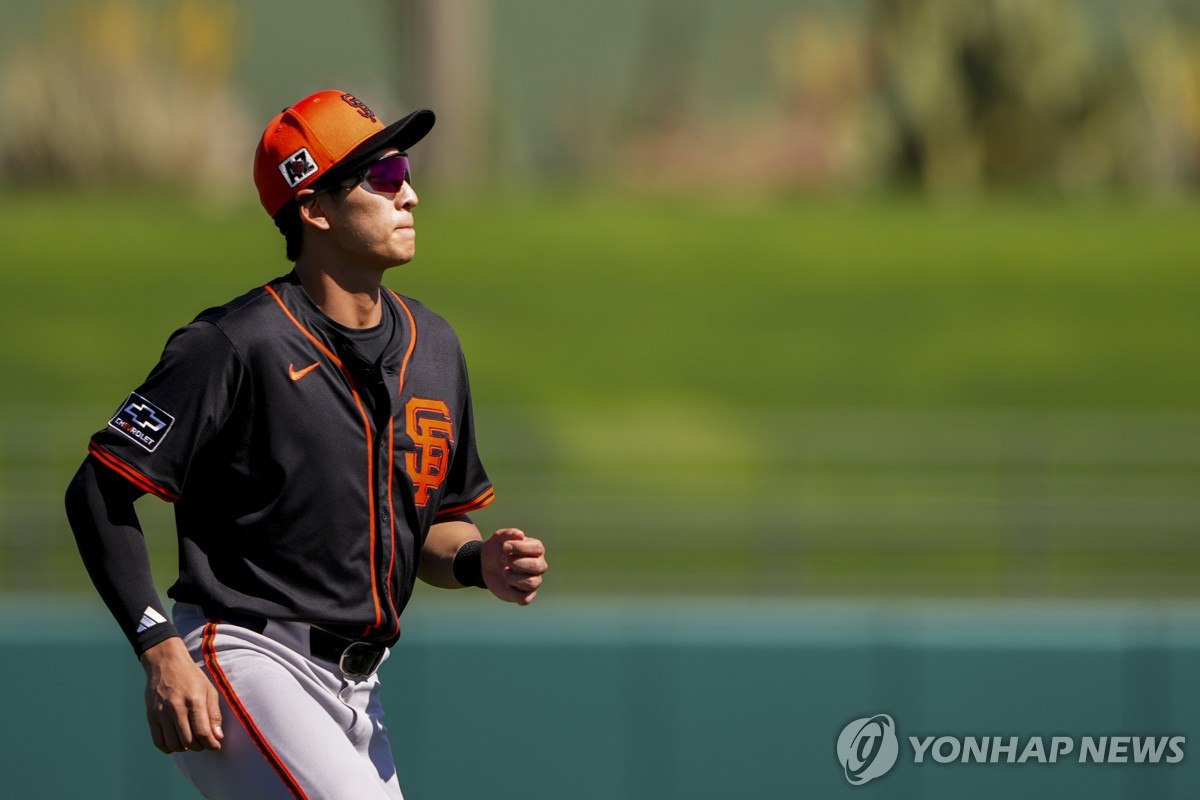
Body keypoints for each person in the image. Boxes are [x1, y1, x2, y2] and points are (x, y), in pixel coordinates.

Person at [64, 89, 548, 799]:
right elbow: (99, 488)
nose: (408, 194)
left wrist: (478, 562)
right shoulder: (235, 344)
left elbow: (436, 526)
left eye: (405, 171)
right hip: (245, 656)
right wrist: (159, 648)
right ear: (314, 206)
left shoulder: (435, 347)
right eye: (382, 178)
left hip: (359, 690)